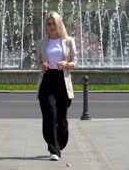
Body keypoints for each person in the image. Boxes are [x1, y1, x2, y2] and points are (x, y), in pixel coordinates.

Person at [36, 11, 76, 161]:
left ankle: (60, 143)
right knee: (50, 115)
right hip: (47, 79)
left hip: (62, 81)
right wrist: (42, 65)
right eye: (49, 23)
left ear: (59, 24)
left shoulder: (68, 41)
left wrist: (66, 64)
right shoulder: (41, 43)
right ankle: (53, 149)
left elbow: (74, 62)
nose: (51, 26)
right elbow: (38, 63)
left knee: (62, 118)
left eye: (54, 23)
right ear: (46, 26)